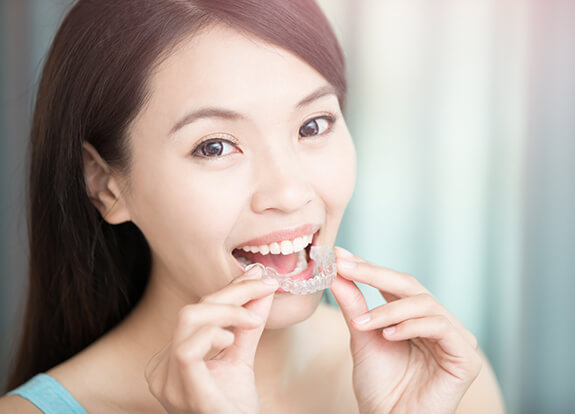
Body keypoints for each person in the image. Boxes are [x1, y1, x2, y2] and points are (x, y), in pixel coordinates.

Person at [0, 0, 506, 412]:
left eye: (313, 126)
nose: (289, 193)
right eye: (215, 146)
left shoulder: (445, 380)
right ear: (107, 186)